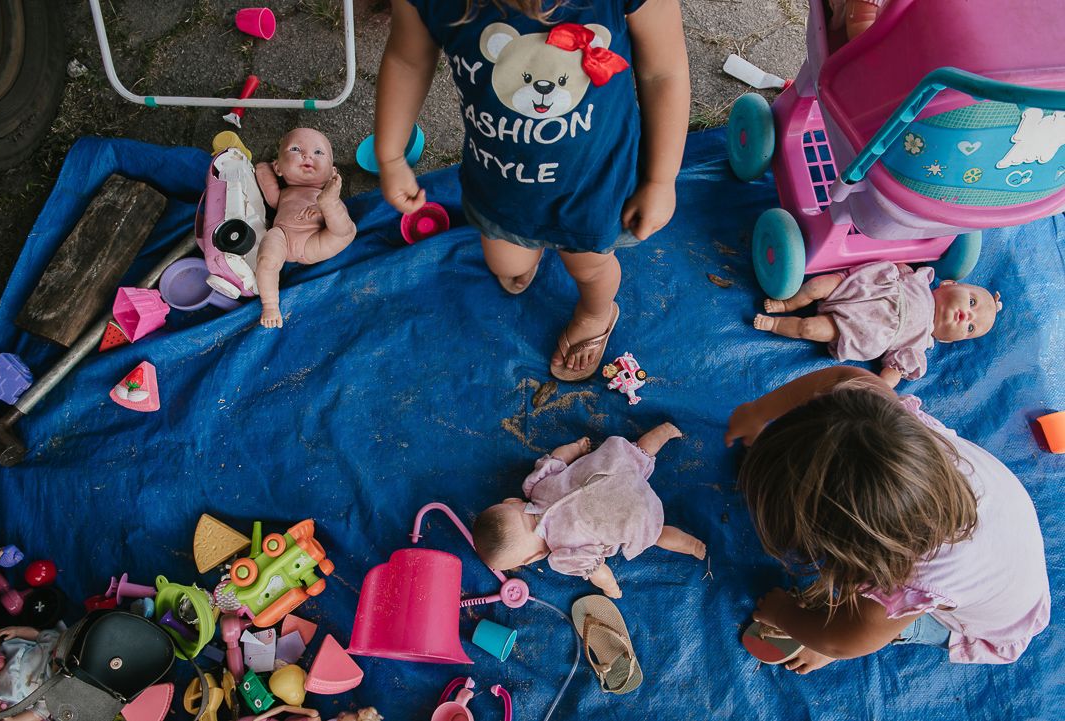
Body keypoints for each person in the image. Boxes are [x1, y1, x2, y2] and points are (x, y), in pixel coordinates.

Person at [374, 0, 690, 380]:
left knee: (589, 268)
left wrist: (660, 179)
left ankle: (596, 312)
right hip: (500, 181)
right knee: (506, 264)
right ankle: (530, 248)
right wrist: (390, 155)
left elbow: (663, 72)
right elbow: (408, 61)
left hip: (593, 185)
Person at [725, 367, 1050, 673]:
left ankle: (873, 633)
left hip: (996, 623)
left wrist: (785, 614)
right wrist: (759, 412)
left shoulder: (916, 579)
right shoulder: (882, 427)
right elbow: (843, 376)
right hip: (1008, 540)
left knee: (879, 623)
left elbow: (846, 639)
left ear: (851, 553)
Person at [474, 423, 706, 598]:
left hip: (634, 511)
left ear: (533, 558)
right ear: (513, 501)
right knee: (640, 450)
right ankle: (665, 431)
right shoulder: (537, 487)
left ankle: (693, 546)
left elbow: (599, 572)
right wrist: (577, 448)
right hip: (617, 470)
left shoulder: (564, 554)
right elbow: (558, 457)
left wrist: (611, 587)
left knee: (658, 535)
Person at [752, 261, 1001, 386]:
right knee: (816, 286)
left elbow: (893, 372)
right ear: (948, 285)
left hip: (852, 329)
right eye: (972, 302)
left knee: (808, 328)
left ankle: (774, 325)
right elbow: (896, 262)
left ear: (948, 339)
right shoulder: (919, 280)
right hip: (858, 290)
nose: (968, 316)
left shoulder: (917, 345)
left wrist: (880, 388)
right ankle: (789, 304)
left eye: (970, 328)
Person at [254, 128, 357, 328]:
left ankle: (328, 205)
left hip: (317, 238)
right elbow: (264, 176)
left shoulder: (324, 190)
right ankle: (270, 304)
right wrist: (263, 168)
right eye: (295, 149)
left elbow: (265, 168)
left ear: (332, 173)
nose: (307, 155)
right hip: (283, 236)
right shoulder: (283, 194)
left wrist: (322, 206)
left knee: (344, 231)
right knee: (266, 259)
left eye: (319, 152)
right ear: (279, 168)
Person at [0, 626, 61, 721]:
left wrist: (13, 720)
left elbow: (38, 713)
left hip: (3, 696)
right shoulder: (57, 643)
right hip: (0, 653)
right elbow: (38, 635)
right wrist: (17, 631)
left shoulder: (56, 696)